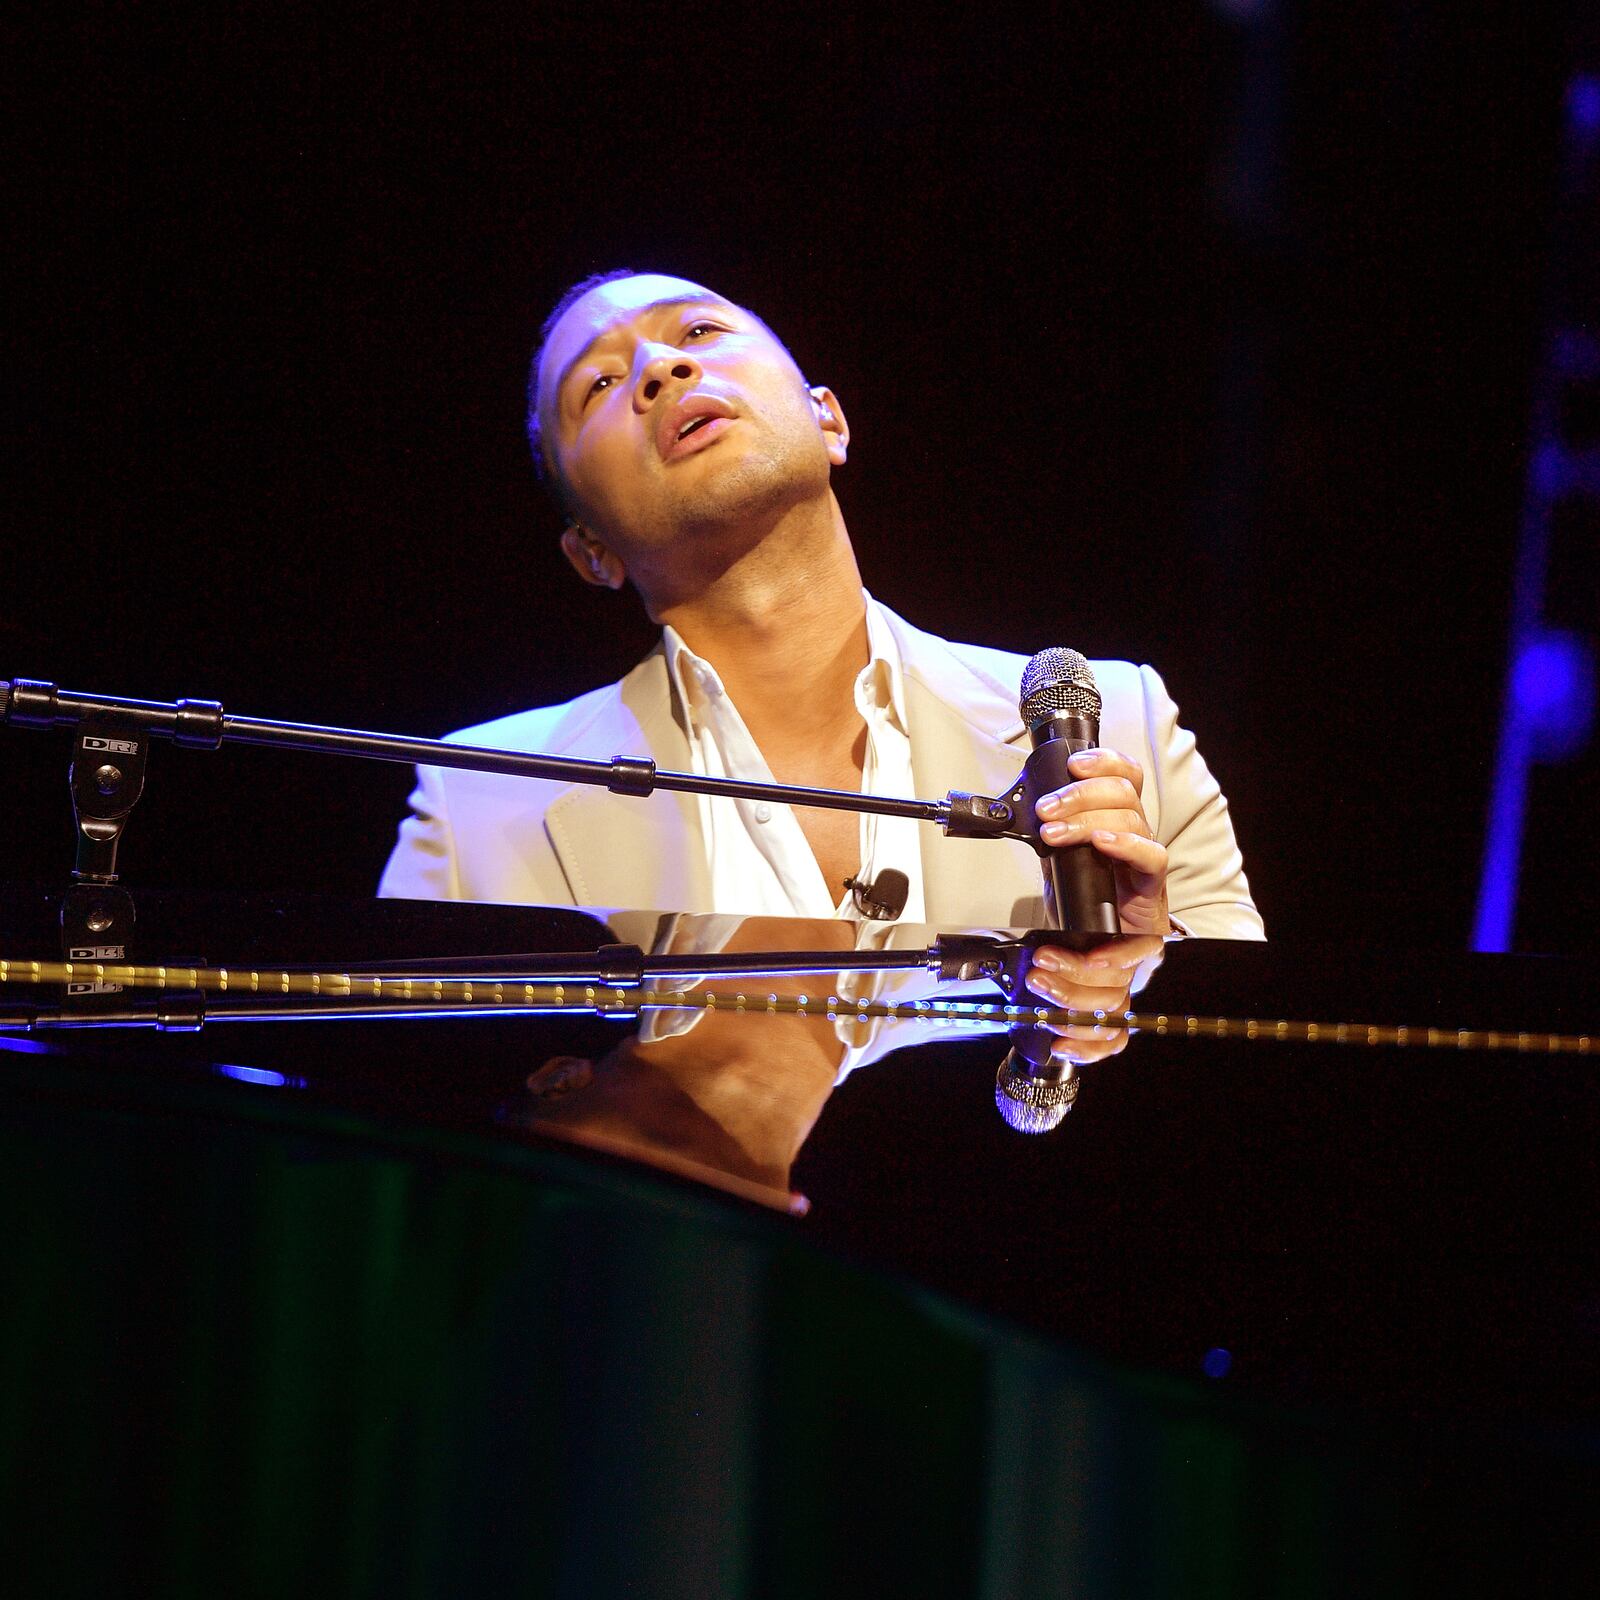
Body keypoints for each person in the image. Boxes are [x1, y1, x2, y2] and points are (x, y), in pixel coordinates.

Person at [379, 270, 1263, 1052]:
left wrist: (1144, 965)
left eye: (697, 333)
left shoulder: (1121, 720)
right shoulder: (478, 805)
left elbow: (1256, 1075)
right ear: (591, 552)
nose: (660, 369)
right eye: (601, 384)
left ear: (827, 418)